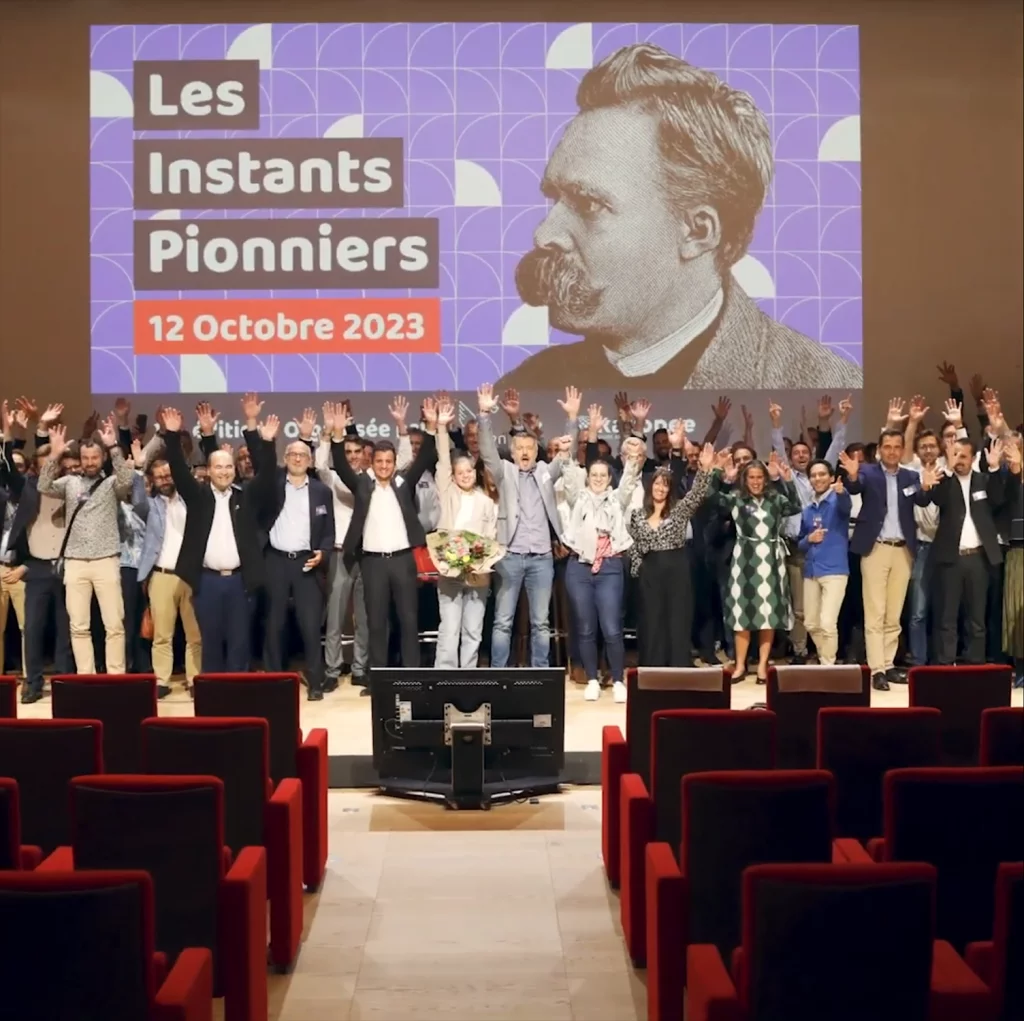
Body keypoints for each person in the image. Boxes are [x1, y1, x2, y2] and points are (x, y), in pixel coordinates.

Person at [494, 42, 861, 391]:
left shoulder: (827, 385)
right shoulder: (523, 387)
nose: (544, 233)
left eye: (589, 204)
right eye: (555, 199)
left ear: (697, 232)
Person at [328, 400, 438, 679]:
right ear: (372, 462)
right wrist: (338, 435)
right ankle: (379, 677)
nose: (384, 466)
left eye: (389, 461)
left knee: (408, 619)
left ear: (394, 463)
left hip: (402, 561)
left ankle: (412, 675)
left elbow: (425, 457)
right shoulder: (362, 484)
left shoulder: (404, 482)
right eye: (379, 461)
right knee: (376, 622)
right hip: (372, 562)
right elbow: (340, 466)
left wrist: (433, 426)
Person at [477, 383, 577, 669]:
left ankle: (541, 675)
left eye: (529, 448)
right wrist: (485, 414)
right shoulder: (504, 472)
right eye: (519, 448)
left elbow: (566, 451)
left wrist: (572, 418)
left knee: (540, 623)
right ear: (512, 451)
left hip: (541, 559)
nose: (524, 452)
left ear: (536, 451)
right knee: (503, 622)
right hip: (510, 556)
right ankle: (498, 673)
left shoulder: (546, 471)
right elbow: (486, 452)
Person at [159, 407, 264, 675]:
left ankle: (239, 702)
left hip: (239, 582)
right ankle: (214, 705)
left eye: (229, 466)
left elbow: (264, 475)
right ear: (209, 470)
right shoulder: (198, 497)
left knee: (240, 645)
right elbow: (180, 472)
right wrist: (172, 435)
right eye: (218, 467)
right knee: (212, 645)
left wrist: (252, 430)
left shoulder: (245, 497)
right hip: (208, 582)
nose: (224, 471)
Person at [559, 406, 644, 702]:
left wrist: (633, 458)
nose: (597, 478)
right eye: (593, 474)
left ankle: (618, 679)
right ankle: (592, 678)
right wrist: (572, 422)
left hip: (609, 566)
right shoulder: (576, 497)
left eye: (602, 475)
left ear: (609, 478)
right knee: (584, 627)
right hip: (579, 567)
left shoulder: (616, 499)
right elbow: (569, 466)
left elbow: (631, 479)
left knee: (611, 626)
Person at [38, 416, 132, 675]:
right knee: (79, 627)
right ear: (80, 458)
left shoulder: (112, 484)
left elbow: (127, 481)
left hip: (106, 561)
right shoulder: (70, 482)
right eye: (86, 458)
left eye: (95, 457)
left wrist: (114, 448)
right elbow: (43, 485)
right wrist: (55, 456)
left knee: (114, 625)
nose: (90, 462)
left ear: (101, 458)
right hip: (75, 563)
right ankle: (86, 677)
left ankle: (116, 677)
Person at [250, 415, 335, 701]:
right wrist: (263, 438)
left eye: (303, 455)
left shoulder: (322, 491)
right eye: (293, 454)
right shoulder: (273, 483)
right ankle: (274, 681)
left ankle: (316, 682)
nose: (298, 458)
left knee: (310, 625)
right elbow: (261, 463)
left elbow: (328, 531)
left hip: (306, 563)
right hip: (275, 560)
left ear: (310, 462)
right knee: (274, 622)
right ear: (285, 458)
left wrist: (322, 554)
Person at [840, 428, 921, 691]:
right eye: (888, 446)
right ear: (880, 449)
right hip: (875, 548)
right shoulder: (868, 472)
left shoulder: (911, 476)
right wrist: (852, 474)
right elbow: (854, 485)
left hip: (903, 550)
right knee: (875, 612)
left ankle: (888, 663)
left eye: (897, 447)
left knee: (894, 614)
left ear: (902, 450)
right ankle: (876, 669)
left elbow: (924, 498)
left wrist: (929, 485)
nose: (893, 451)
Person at [709, 452, 801, 683]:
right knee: (742, 614)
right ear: (745, 479)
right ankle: (740, 665)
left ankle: (762, 666)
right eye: (752, 477)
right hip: (744, 562)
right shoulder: (736, 498)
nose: (756, 481)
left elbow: (796, 506)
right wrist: (719, 473)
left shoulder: (776, 500)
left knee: (767, 615)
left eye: (760, 477)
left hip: (771, 562)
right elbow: (710, 497)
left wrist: (786, 480)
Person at [627, 430, 714, 668]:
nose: (661, 489)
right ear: (650, 486)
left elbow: (697, 495)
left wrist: (705, 470)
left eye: (666, 485)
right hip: (649, 574)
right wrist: (637, 570)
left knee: (677, 620)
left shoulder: (679, 511)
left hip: (677, 570)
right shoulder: (637, 515)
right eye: (657, 483)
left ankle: (678, 667)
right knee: (652, 621)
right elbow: (635, 547)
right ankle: (652, 667)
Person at [915, 438, 1005, 665]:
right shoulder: (944, 481)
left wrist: (994, 468)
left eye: (963, 456)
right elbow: (934, 499)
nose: (959, 461)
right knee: (947, 618)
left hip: (978, 559)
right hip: (950, 560)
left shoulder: (984, 480)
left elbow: (998, 500)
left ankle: (976, 665)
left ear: (973, 459)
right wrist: (947, 469)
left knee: (977, 619)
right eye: (955, 455)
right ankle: (945, 665)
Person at [431, 398, 501, 669]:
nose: (465, 475)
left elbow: (490, 537)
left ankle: (468, 674)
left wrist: (480, 562)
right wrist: (440, 428)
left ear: (475, 472)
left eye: (469, 471)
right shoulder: (447, 493)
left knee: (473, 629)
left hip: (477, 574)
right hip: (449, 572)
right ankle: (444, 676)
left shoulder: (485, 500)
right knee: (449, 628)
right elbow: (443, 462)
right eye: (460, 472)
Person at [134, 454, 201, 699]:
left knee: (195, 633)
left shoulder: (191, 502)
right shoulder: (149, 506)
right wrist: (140, 467)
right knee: (162, 634)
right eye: (158, 476)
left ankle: (195, 678)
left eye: (168, 474)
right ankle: (161, 680)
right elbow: (137, 497)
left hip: (190, 575)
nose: (164, 479)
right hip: (161, 575)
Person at [316, 404, 371, 690]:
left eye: (356, 453)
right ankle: (332, 670)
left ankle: (361, 668)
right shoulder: (334, 478)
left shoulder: (372, 480)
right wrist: (329, 433)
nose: (351, 457)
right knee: (336, 617)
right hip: (340, 553)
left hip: (367, 555)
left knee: (363, 617)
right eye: (347, 452)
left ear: (364, 455)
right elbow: (321, 464)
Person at [798, 460, 852, 665]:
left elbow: (846, 507)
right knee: (811, 623)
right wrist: (808, 540)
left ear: (830, 478)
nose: (817, 478)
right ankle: (826, 658)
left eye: (822, 474)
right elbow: (800, 542)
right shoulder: (808, 509)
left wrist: (841, 492)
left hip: (834, 570)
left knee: (828, 623)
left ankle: (827, 665)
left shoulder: (838, 501)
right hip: (811, 570)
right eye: (813, 475)